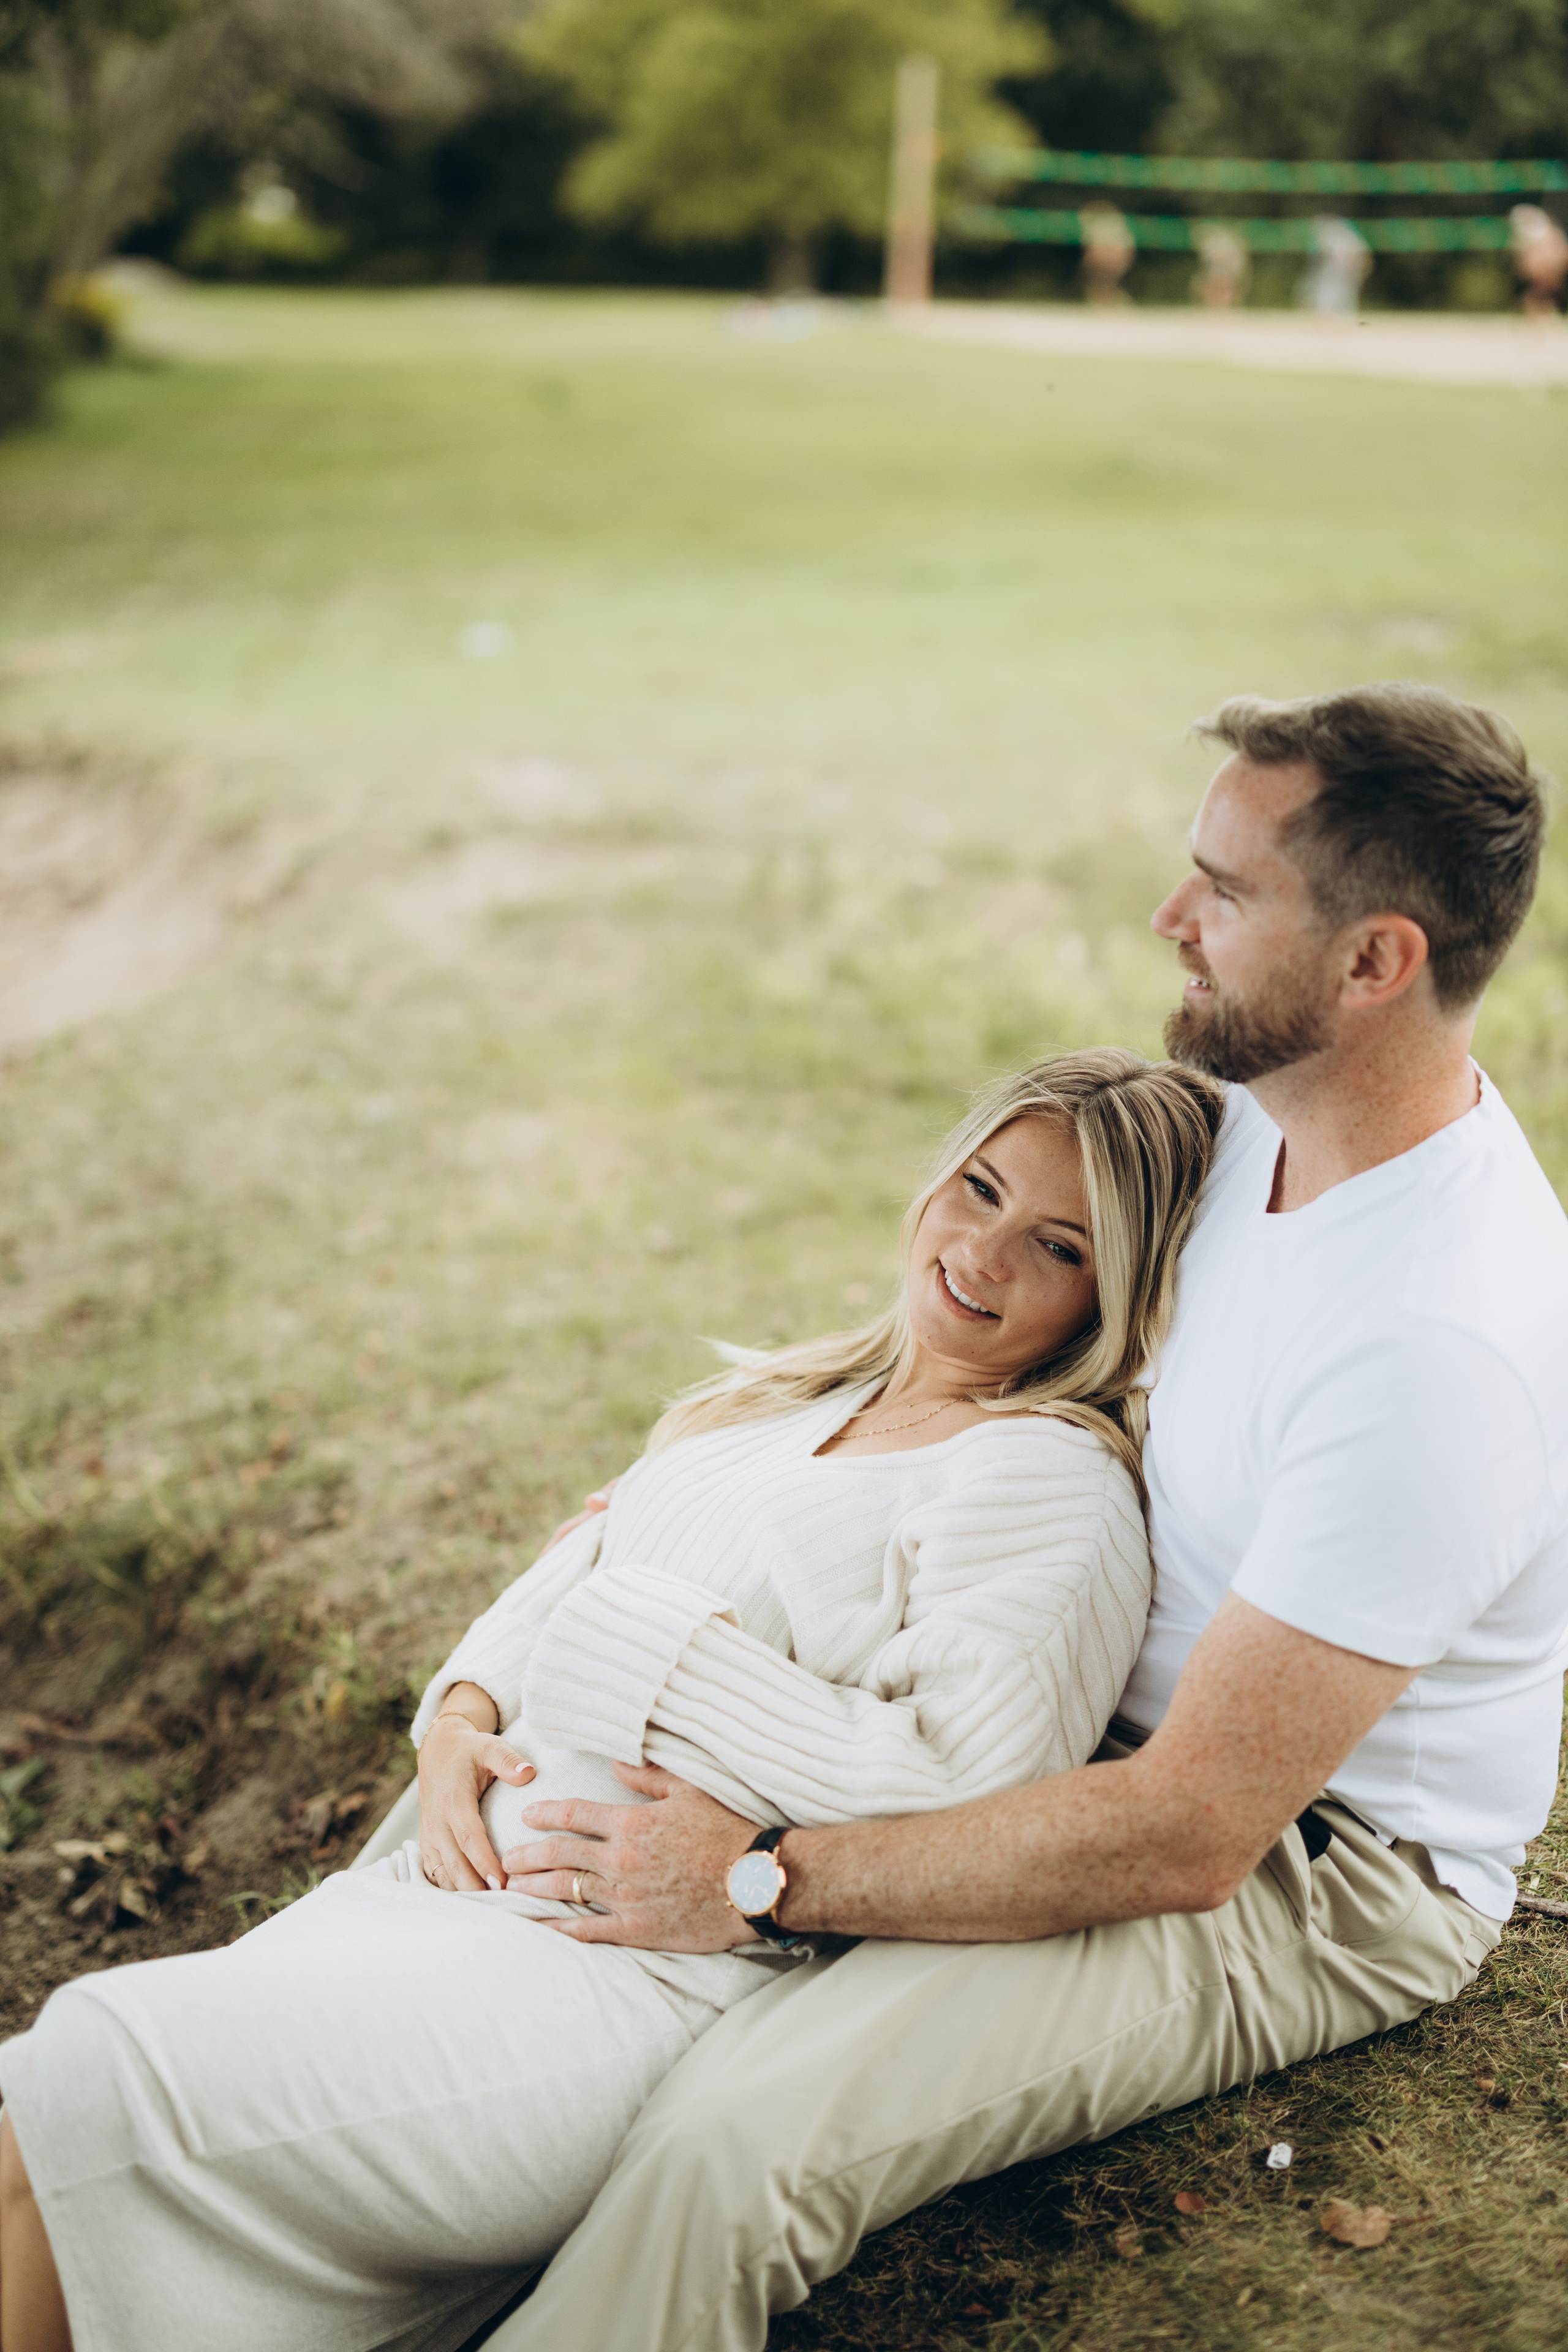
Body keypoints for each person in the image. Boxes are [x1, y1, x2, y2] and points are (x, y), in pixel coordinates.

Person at [485, 680, 1568, 2352]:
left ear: (1375, 965)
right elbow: (993, 1272)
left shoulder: (1440, 1347)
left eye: (1227, 891)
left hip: (1316, 1860)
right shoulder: (1247, 1129)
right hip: (1064, 1718)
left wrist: (768, 1878)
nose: (1170, 918)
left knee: (730, 2143)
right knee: (569, 2059)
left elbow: (1194, 1835)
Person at [0, 1051, 1224, 2352]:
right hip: (443, 1904)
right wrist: (462, 1718)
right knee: (33, 2122)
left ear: (1113, 1298)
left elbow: (964, 1787)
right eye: (976, 1190)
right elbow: (565, 1569)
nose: (979, 1254)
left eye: (1056, 1247)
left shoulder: (1044, 1486)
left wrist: (642, 1646)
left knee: (92, 2071)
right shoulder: (795, 1398)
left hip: (625, 1983)